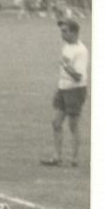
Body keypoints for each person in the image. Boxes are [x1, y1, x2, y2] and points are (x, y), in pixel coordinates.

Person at [42, 18, 89, 168]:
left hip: (75, 90)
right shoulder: (67, 46)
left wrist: (66, 67)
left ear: (74, 32)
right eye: (61, 31)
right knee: (56, 123)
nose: (62, 34)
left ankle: (74, 159)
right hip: (63, 88)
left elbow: (78, 76)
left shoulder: (81, 51)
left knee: (73, 125)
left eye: (65, 31)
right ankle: (57, 157)